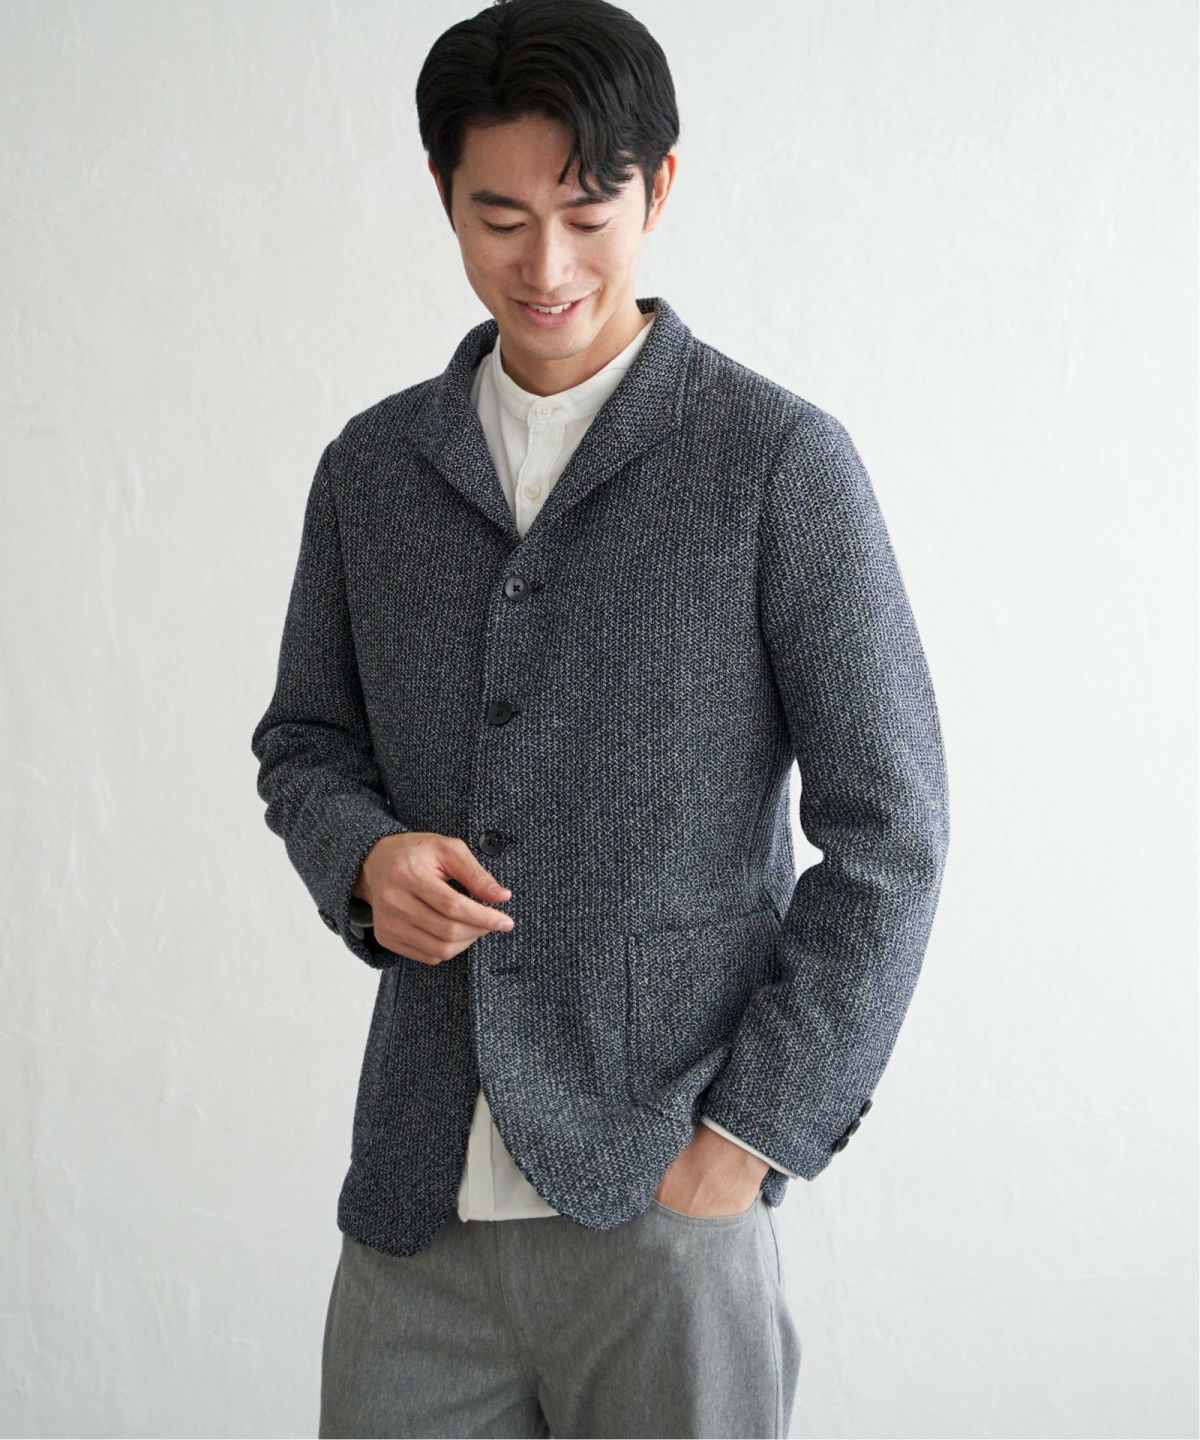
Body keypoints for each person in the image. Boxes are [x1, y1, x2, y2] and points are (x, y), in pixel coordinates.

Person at [249, 0, 950, 1434]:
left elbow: (892, 833)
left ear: (660, 186)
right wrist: (366, 858)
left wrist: (749, 1138)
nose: (548, 267)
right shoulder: (372, 471)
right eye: (500, 219)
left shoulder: (776, 463)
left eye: (587, 213)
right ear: (443, 194)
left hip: (665, 1208)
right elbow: (306, 744)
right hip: (416, 1211)